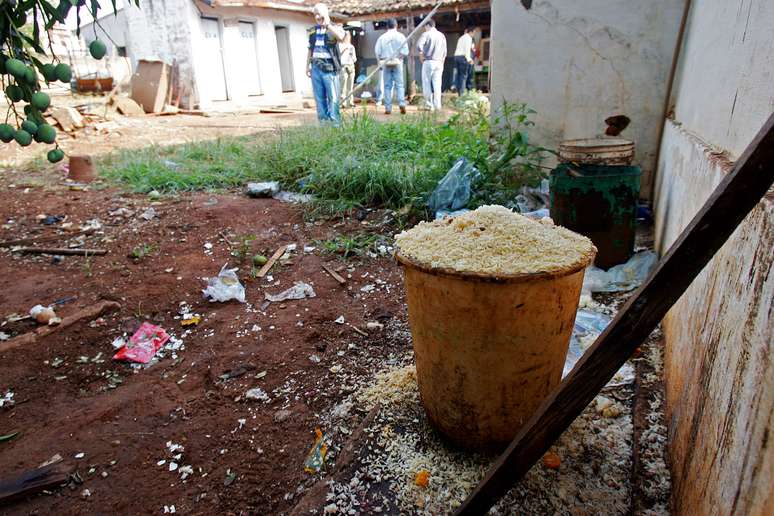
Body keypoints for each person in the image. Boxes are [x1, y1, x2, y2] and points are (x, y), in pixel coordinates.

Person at [306, 3, 345, 124]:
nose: (317, 17)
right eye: (315, 14)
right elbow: (310, 49)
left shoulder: (335, 27)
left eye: (319, 14)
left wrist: (327, 25)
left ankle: (335, 124)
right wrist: (307, 66)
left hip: (330, 68)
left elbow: (341, 37)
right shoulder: (312, 31)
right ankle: (323, 123)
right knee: (319, 98)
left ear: (326, 13)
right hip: (315, 68)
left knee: (333, 98)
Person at [374, 19, 408, 115]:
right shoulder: (401, 36)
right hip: (397, 62)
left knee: (387, 86)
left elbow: (377, 52)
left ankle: (388, 108)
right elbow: (405, 52)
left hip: (386, 62)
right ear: (396, 26)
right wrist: (399, 58)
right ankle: (401, 103)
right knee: (399, 85)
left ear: (387, 26)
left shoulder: (382, 37)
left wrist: (379, 63)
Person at [416, 18, 446, 111]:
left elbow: (419, 45)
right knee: (437, 85)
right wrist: (442, 62)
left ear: (427, 25)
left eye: (425, 26)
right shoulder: (442, 36)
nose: (425, 28)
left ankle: (429, 105)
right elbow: (445, 52)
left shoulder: (426, 34)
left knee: (427, 83)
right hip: (439, 62)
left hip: (428, 61)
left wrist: (421, 54)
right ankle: (438, 106)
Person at [453, 25, 475, 96]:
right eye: (473, 33)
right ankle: (462, 94)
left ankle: (459, 92)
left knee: (458, 75)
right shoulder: (468, 38)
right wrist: (469, 59)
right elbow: (467, 50)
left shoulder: (461, 37)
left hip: (457, 57)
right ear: (470, 32)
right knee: (463, 76)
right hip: (463, 58)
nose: (473, 34)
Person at [338, 32, 357, 108]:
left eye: (349, 36)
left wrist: (352, 55)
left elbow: (355, 59)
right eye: (346, 36)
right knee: (343, 85)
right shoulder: (339, 45)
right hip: (343, 66)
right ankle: (343, 102)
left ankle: (350, 102)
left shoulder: (352, 46)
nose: (348, 38)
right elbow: (338, 56)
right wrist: (344, 50)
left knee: (351, 85)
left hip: (351, 65)